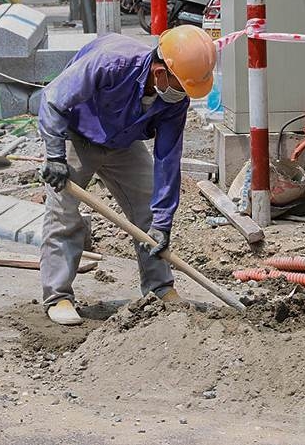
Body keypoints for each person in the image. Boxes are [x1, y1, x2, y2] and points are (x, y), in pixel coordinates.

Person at [36, 25, 217, 326]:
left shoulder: (174, 102)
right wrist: (55, 156)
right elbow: (53, 99)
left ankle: (160, 288)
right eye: (182, 86)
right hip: (76, 134)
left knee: (148, 208)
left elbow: (167, 159)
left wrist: (163, 222)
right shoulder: (111, 63)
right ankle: (59, 296)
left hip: (123, 142)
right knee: (64, 213)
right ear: (161, 74)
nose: (184, 95)